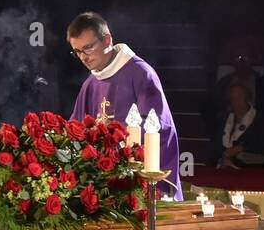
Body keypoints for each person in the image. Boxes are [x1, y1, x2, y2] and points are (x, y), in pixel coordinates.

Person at [66, 12, 183, 199]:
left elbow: (158, 129)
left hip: (132, 183)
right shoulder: (90, 83)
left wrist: (121, 162)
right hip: (103, 184)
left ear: (106, 40)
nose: (83, 57)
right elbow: (75, 129)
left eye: (88, 48)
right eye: (77, 51)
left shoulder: (140, 74)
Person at [211, 81, 264, 169]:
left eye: (240, 97)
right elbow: (214, 148)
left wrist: (240, 148)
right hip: (224, 171)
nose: (236, 101)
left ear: (248, 98)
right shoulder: (223, 119)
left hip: (252, 173)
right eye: (232, 98)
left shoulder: (262, 120)